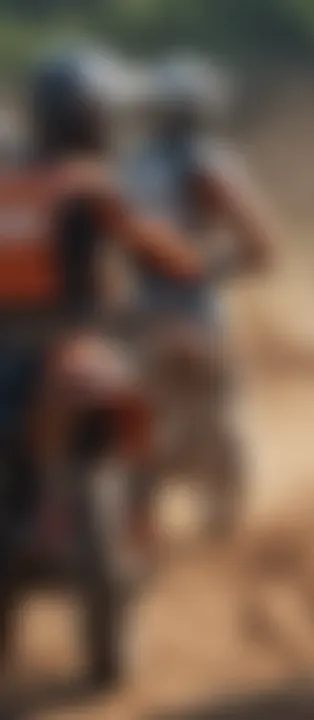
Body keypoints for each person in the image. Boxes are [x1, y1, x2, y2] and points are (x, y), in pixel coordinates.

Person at [0, 47, 204, 550]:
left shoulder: (8, 183)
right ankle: (136, 518)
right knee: (148, 398)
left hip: (8, 349)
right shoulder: (89, 185)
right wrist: (189, 261)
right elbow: (157, 249)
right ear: (92, 118)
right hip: (72, 343)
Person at [120, 53, 277, 534]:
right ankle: (219, 506)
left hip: (140, 315)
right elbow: (261, 242)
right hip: (196, 310)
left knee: (139, 413)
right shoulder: (210, 164)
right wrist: (223, 266)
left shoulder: (131, 166)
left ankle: (136, 509)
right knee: (219, 406)